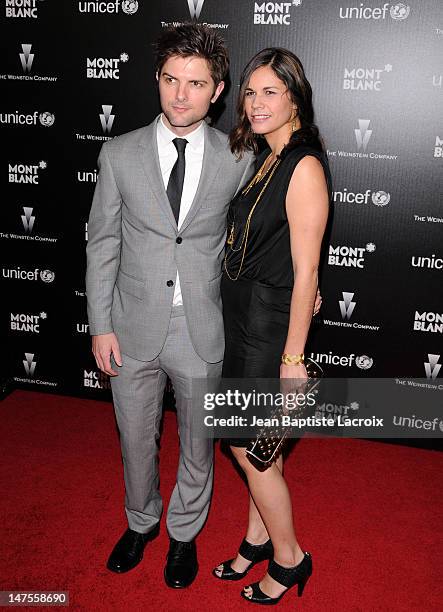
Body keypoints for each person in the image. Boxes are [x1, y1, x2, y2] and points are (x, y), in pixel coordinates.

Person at [85, 23, 255, 588]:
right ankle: (141, 522)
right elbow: (103, 241)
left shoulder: (240, 157)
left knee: (199, 444)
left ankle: (184, 533)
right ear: (157, 80)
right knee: (135, 438)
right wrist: (100, 324)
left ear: (218, 89)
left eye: (196, 83)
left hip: (201, 327)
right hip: (131, 326)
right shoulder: (119, 153)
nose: (180, 95)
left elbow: (263, 232)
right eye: (170, 80)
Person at [212, 48, 331, 605]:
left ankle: (290, 558)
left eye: (270, 92)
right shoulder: (269, 155)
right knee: (258, 448)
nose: (256, 104)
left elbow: (308, 270)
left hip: (268, 329)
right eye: (250, 92)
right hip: (243, 320)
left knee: (244, 443)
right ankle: (258, 539)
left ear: (294, 98)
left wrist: (292, 361)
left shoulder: (302, 164)